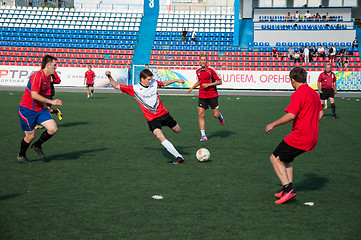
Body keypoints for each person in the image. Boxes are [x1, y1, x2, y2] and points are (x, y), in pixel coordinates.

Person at [265, 67, 323, 204]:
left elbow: (291, 115)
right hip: (312, 136)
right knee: (286, 159)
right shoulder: (314, 94)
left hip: (300, 135)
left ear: (292, 80)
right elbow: (320, 114)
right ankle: (286, 189)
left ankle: (288, 189)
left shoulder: (298, 93)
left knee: (274, 158)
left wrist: (272, 124)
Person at [105, 69, 186, 164]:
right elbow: (116, 86)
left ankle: (171, 126)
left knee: (177, 130)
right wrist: (109, 76)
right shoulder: (134, 89)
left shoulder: (154, 83)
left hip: (164, 114)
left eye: (151, 79)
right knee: (159, 136)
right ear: (142, 79)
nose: (150, 81)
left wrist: (175, 81)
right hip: (152, 119)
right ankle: (179, 157)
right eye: (148, 79)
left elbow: (163, 83)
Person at [17, 55, 63, 163]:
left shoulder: (47, 78)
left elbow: (41, 96)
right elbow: (34, 95)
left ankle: (37, 145)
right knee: (30, 136)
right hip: (27, 110)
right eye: (55, 65)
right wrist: (52, 102)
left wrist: (47, 107)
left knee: (52, 129)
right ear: (48, 65)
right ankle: (21, 154)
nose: (56, 67)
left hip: (39, 109)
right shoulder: (38, 75)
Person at [187, 54, 225, 142]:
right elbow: (199, 81)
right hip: (202, 94)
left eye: (204, 60)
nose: (203, 61)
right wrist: (191, 88)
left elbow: (219, 81)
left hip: (212, 94)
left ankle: (219, 116)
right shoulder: (198, 71)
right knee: (200, 113)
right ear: (199, 61)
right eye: (201, 60)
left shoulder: (211, 70)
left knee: (215, 114)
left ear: (206, 61)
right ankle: (203, 135)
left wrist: (208, 85)